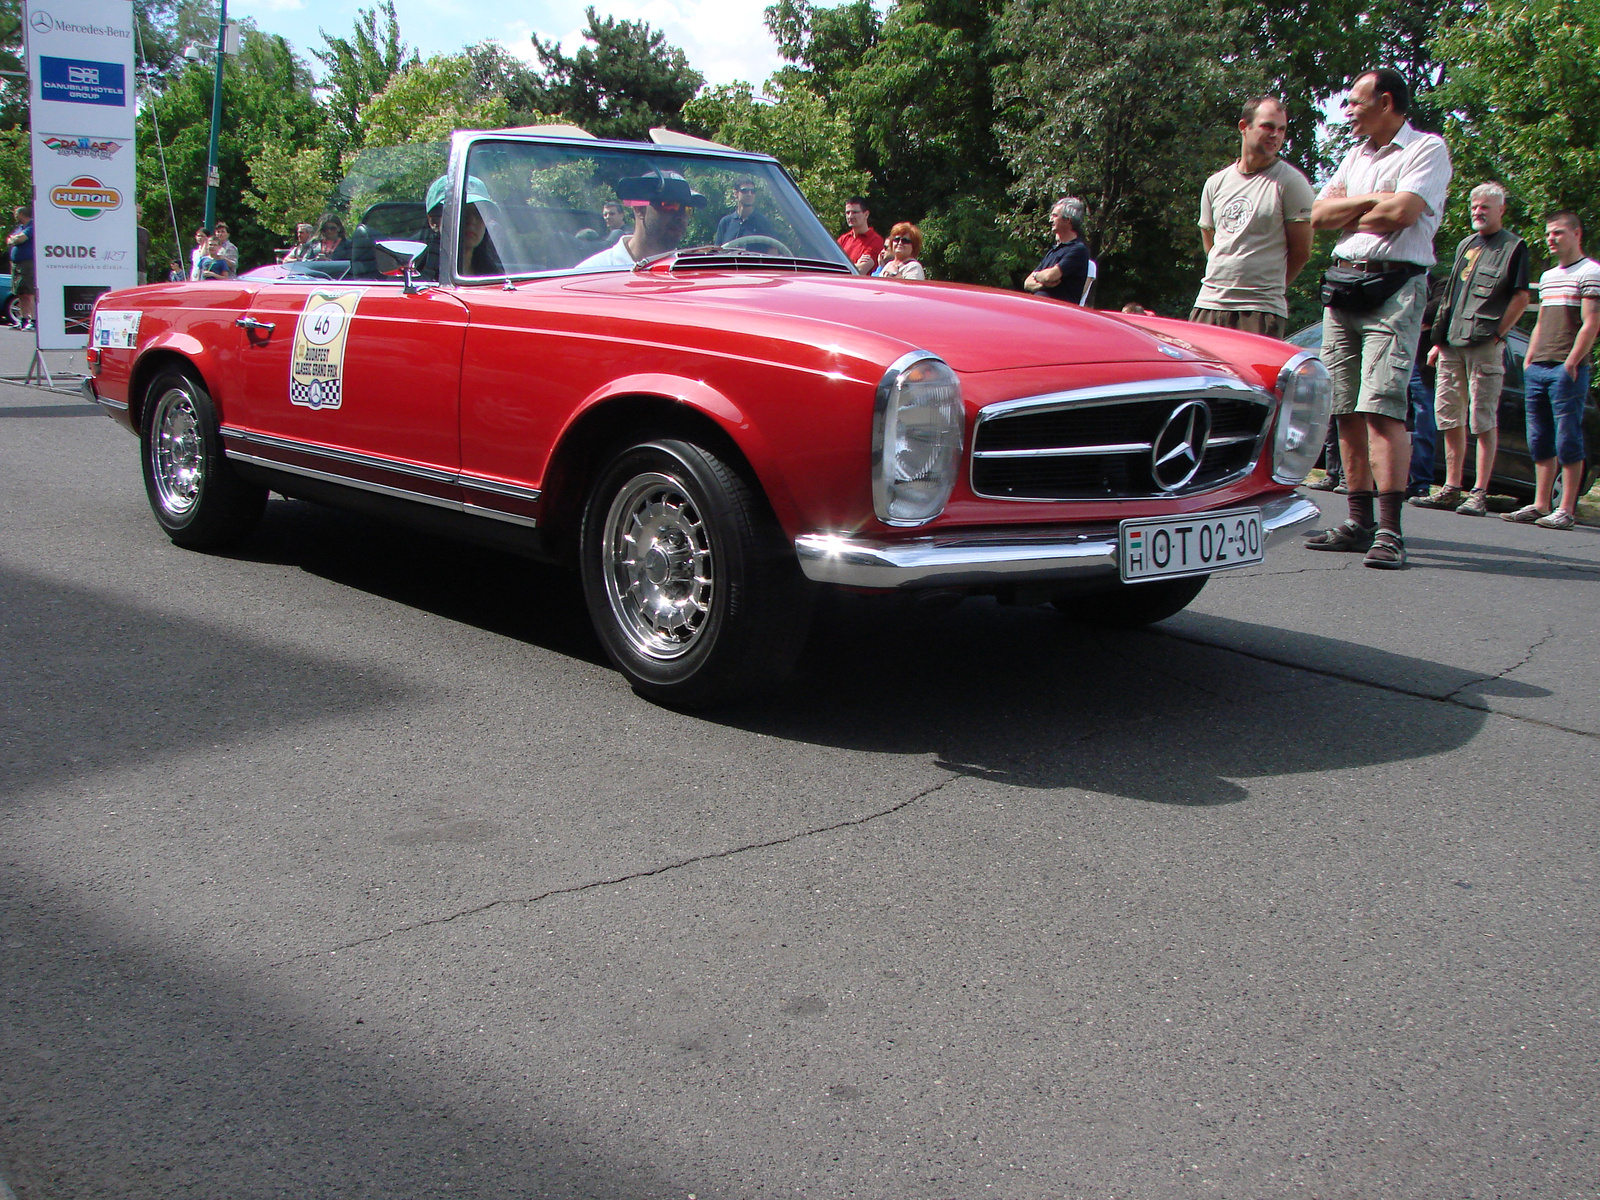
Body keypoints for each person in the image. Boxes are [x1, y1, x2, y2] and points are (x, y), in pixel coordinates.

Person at [1305, 68, 1452, 570]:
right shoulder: (1354, 154)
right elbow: (1318, 217)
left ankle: (1390, 531)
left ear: (1386, 102)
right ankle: (1356, 520)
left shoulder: (1426, 149)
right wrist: (1373, 203)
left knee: (1382, 406)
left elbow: (1405, 212)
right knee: (1344, 405)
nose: (1347, 111)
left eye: (1355, 102)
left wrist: (1352, 210)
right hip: (1345, 283)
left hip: (1396, 286)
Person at [1411, 182, 1532, 515]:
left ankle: (1478, 492)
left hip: (1484, 344)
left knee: (1482, 419)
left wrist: (1498, 334)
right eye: (1474, 206)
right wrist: (1437, 342)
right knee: (1449, 417)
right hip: (1451, 344)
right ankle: (1451, 487)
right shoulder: (1466, 244)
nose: (1478, 212)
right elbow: (1449, 297)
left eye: (1485, 207)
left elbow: (1522, 297)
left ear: (1501, 210)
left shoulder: (1514, 247)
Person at [1501, 211, 1600, 530]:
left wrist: (1572, 362)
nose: (1551, 239)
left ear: (1576, 234)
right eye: (1548, 234)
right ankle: (1541, 503)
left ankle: (1566, 509)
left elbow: (1591, 323)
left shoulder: (1591, 272)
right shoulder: (1548, 277)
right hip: (1538, 367)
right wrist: (1529, 358)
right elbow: (1541, 321)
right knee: (1539, 437)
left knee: (1568, 437)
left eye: (1557, 233)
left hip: (1566, 369)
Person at [1190, 95, 1314, 339]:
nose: (1275, 135)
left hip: (1259, 310)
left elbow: (1301, 253)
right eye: (1268, 126)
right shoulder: (1216, 183)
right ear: (1243, 127)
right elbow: (1211, 243)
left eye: (1281, 129)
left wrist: (1267, 288)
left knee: (1248, 379)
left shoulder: (1291, 182)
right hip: (1209, 304)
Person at [577, 169, 707, 269]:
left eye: (688, 209)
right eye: (670, 205)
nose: (681, 216)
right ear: (640, 209)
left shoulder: (689, 275)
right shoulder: (594, 272)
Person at [1023, 197, 1090, 303]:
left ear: (1068, 219)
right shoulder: (1053, 251)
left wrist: (1038, 276)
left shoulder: (1078, 250)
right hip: (1039, 308)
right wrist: (1043, 282)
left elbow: (1051, 276)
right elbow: (1027, 283)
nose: (1050, 220)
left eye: (1055, 216)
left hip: (1058, 313)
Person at [714, 177, 778, 245]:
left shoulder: (764, 223)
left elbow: (772, 251)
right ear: (736, 194)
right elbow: (718, 251)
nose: (749, 194)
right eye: (745, 191)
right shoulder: (725, 222)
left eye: (752, 191)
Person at [838, 197, 882, 276]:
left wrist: (842, 267)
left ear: (866, 214)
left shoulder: (875, 240)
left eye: (855, 212)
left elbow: (860, 271)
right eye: (848, 213)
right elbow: (831, 265)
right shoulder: (843, 239)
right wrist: (855, 265)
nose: (850, 216)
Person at [7, 206, 34, 331]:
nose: (15, 216)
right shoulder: (20, 228)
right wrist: (14, 239)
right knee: (21, 293)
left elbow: (21, 238)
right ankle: (23, 320)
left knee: (29, 293)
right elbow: (10, 240)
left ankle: (33, 320)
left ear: (22, 214)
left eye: (16, 214)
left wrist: (15, 239)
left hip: (27, 264)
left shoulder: (31, 226)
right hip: (17, 264)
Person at [135, 205, 151, 286]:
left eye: (140, 213)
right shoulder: (122, 230)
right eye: (135, 212)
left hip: (141, 270)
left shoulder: (145, 232)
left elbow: (147, 251)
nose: (138, 215)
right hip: (125, 270)